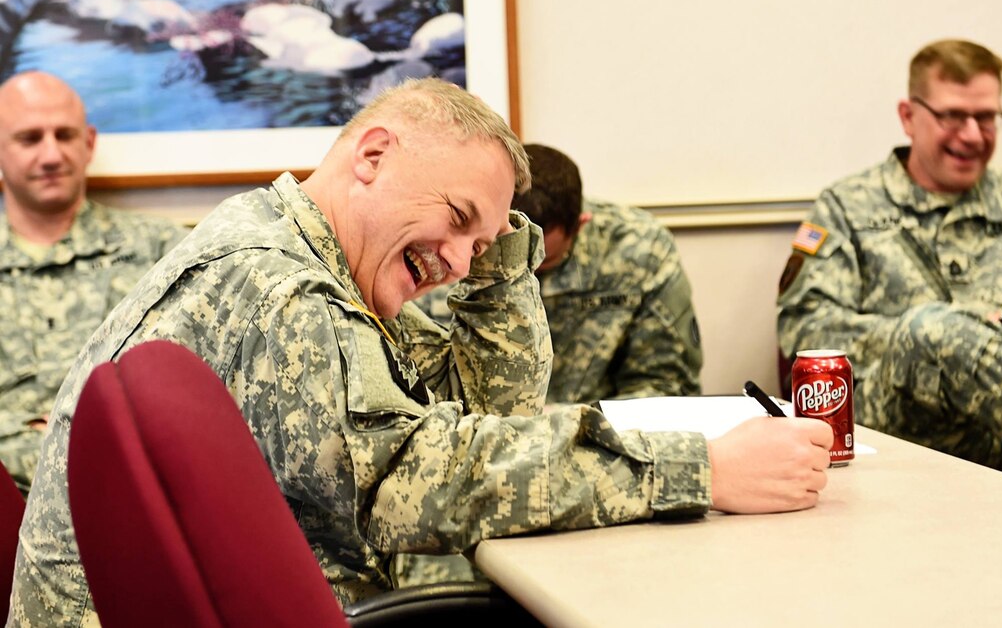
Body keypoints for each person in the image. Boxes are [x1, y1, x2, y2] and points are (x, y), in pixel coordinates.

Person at [9, 78, 831, 625]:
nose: (466, 258)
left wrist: (497, 242)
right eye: (461, 215)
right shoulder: (278, 286)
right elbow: (415, 479)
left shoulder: (317, 255)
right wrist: (702, 470)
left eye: (486, 237)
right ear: (372, 157)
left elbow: (486, 407)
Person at [777, 38, 1002, 475]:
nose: (971, 134)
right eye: (953, 116)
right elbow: (805, 329)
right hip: (896, 422)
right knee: (932, 330)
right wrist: (931, 340)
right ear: (909, 117)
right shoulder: (848, 206)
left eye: (986, 117)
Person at [0, 71, 188, 494]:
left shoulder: (163, 252)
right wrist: (30, 437)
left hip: (132, 495)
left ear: (88, 144)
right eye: (30, 139)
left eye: (64, 136)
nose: (50, 155)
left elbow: (204, 379)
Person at [419, 143, 702, 403]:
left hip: (601, 438)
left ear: (580, 225)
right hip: (474, 436)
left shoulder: (638, 251)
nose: (524, 272)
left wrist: (579, 429)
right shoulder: (449, 249)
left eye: (543, 262)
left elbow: (667, 386)